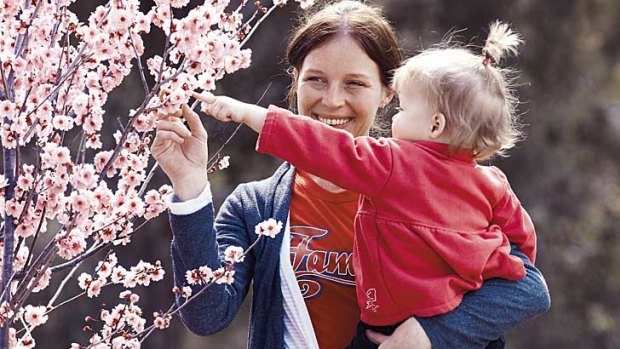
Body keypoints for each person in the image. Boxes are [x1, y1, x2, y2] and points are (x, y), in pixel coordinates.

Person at [152, 1, 550, 348]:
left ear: (388, 93)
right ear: (295, 83)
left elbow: (526, 285)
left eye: (355, 83)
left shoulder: (450, 197)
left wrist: (433, 334)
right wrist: (190, 188)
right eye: (316, 80)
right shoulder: (256, 208)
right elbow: (205, 315)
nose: (333, 100)